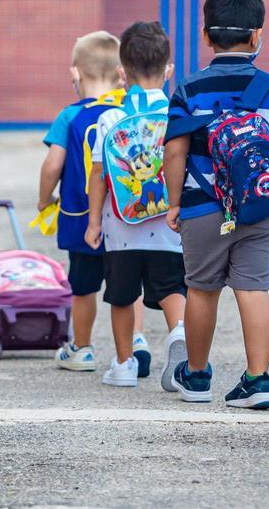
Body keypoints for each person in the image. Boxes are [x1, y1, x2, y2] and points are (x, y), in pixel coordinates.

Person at [162, 0, 269, 408]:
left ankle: (199, 376)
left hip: (202, 206)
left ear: (205, 35)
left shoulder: (189, 90)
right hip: (257, 205)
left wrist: (173, 202)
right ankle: (259, 380)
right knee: (253, 288)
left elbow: (174, 150)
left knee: (202, 290)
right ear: (257, 35)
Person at [37, 32, 150, 373]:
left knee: (83, 286)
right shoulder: (126, 114)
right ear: (122, 73)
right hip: (125, 216)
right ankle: (136, 339)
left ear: (74, 73)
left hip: (81, 217)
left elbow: (53, 164)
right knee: (130, 283)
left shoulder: (69, 116)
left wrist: (45, 200)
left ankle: (82, 349)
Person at [85, 21, 188, 390]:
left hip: (122, 229)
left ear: (121, 73)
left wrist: (94, 222)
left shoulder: (111, 118)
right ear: (169, 71)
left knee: (122, 296)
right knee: (173, 287)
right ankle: (179, 333)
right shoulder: (177, 115)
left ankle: (125, 364)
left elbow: (99, 175)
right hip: (170, 227)